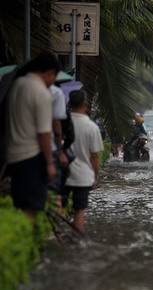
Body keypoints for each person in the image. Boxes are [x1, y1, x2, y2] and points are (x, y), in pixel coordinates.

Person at [5, 51, 60, 223]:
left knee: (19, 205)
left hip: (13, 155)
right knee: (32, 208)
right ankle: (28, 246)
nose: (53, 82)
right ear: (49, 73)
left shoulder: (16, 84)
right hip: (32, 158)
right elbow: (44, 133)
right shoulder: (41, 93)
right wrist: (50, 163)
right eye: (54, 78)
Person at [61, 89, 104, 233]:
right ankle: (76, 240)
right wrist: (96, 175)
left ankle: (56, 235)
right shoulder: (92, 127)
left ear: (69, 103)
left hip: (63, 172)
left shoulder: (60, 123)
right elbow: (95, 156)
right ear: (85, 103)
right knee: (79, 210)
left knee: (60, 205)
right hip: (83, 176)